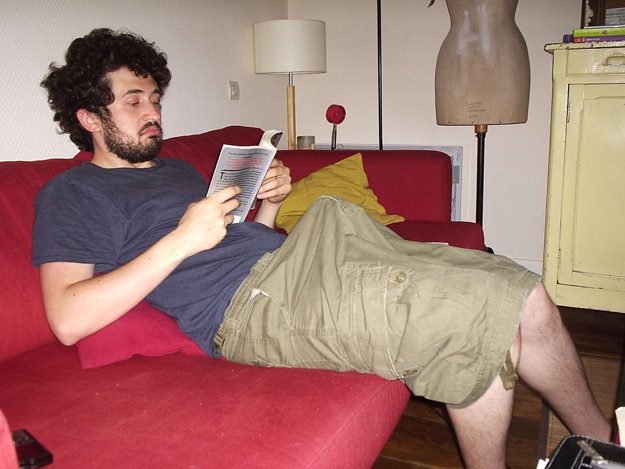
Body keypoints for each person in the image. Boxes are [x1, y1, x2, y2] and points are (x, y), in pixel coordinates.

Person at [34, 28, 610, 468]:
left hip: (304, 255)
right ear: (89, 117)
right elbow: (67, 318)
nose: (154, 113)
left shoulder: (177, 169)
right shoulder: (73, 193)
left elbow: (230, 238)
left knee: (522, 289)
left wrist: (268, 203)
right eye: (134, 101)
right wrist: (181, 240)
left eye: (156, 98)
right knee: (470, 319)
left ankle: (604, 448)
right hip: (251, 308)